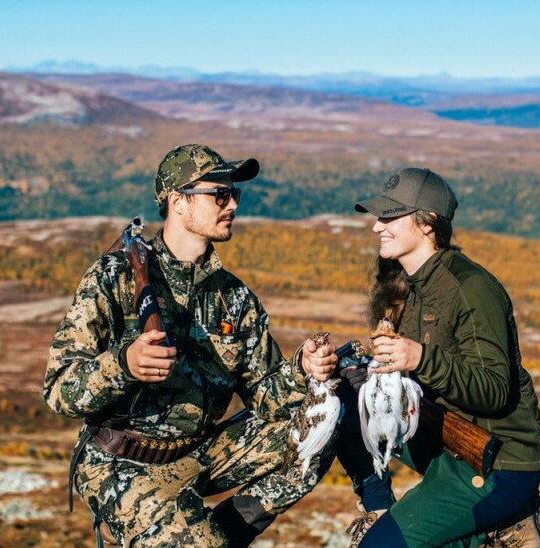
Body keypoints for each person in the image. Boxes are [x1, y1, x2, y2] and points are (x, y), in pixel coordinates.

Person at [44, 144, 341, 547]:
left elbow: (268, 402)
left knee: (316, 428)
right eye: (219, 193)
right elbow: (59, 389)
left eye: (234, 193)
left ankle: (220, 534)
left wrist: (301, 369)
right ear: (178, 202)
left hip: (197, 456)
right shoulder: (114, 277)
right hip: (120, 462)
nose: (232, 203)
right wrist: (123, 365)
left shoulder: (236, 299)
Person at [351, 168, 540, 547]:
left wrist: (420, 358)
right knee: (345, 399)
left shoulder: (471, 289)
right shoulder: (410, 285)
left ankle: (510, 517)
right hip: (444, 440)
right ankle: (379, 510)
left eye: (391, 216)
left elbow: (493, 390)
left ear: (428, 224)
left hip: (496, 461)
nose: (378, 226)